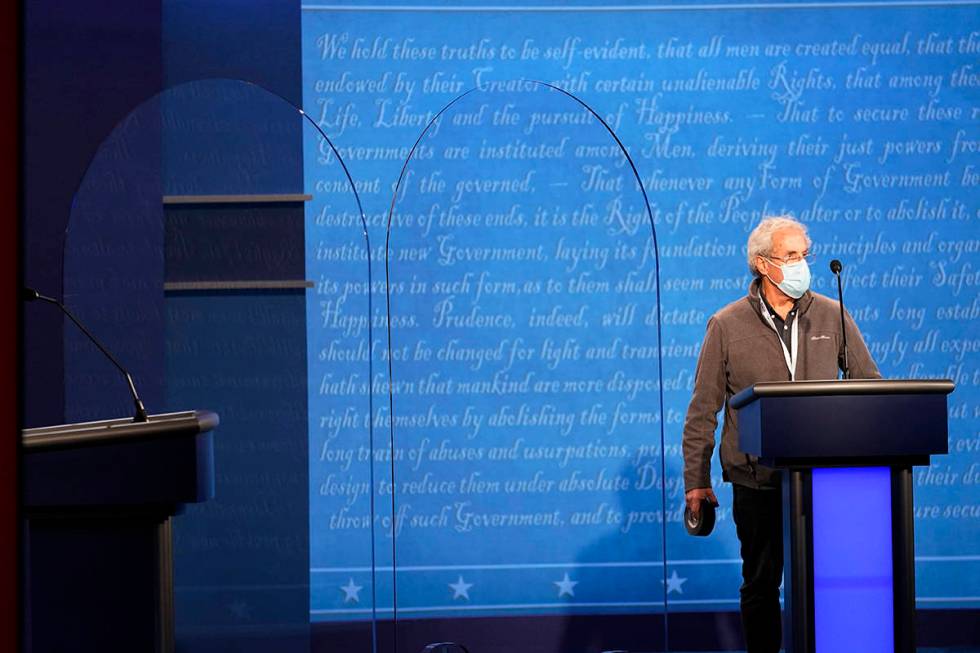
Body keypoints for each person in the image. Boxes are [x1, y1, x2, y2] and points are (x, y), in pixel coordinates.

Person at [681, 215, 880, 653]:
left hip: (824, 479)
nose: (800, 265)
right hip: (758, 479)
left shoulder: (833, 314)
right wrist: (696, 480)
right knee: (761, 583)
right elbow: (703, 410)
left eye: (803, 255)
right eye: (790, 256)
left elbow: (870, 384)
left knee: (826, 584)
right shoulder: (727, 324)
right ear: (761, 264)